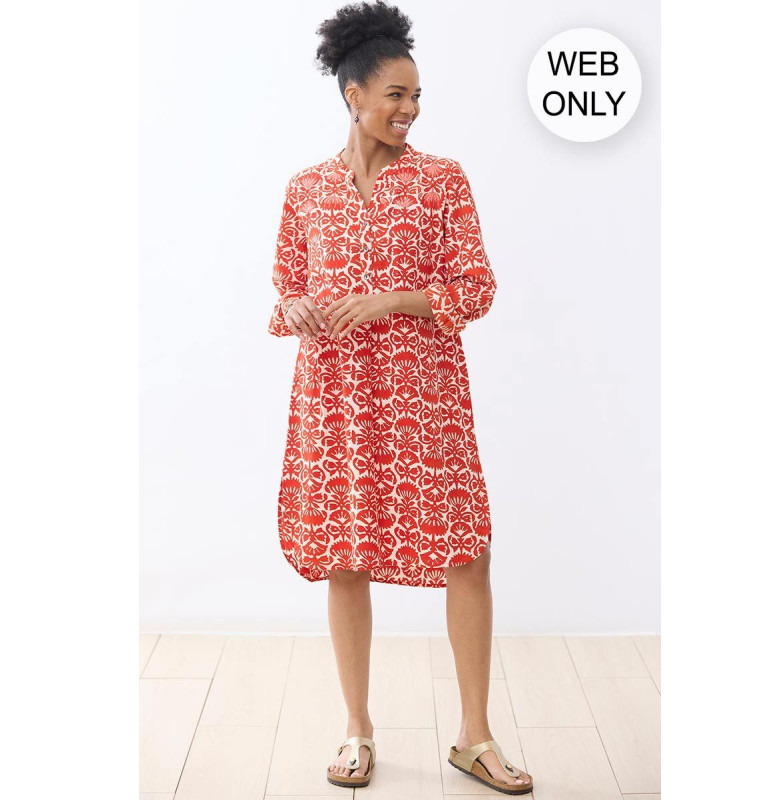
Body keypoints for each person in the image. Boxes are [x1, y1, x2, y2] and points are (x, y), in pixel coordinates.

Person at [267, 1, 533, 794]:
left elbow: (476, 288)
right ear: (353, 94)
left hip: (425, 397)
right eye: (396, 94)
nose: (410, 109)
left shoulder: (442, 181)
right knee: (344, 557)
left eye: (416, 96)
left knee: (466, 553)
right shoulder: (306, 190)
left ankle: (475, 736)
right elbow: (284, 290)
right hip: (337, 399)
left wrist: (394, 300)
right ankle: (357, 729)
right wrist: (297, 309)